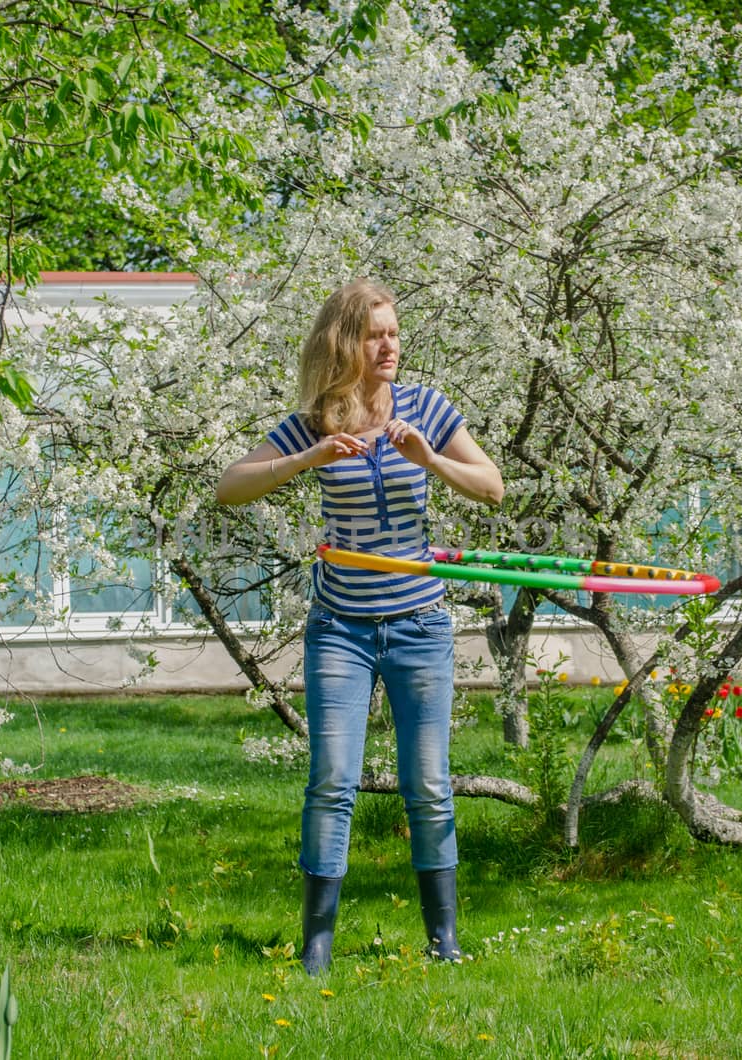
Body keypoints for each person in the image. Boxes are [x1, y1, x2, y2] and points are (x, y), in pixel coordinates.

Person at [216, 279, 504, 975]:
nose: (389, 345)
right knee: (332, 779)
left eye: (395, 333)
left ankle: (445, 940)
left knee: (429, 783)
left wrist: (429, 460)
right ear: (345, 342)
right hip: (341, 626)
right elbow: (229, 487)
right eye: (376, 333)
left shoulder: (427, 410)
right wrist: (307, 458)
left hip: (419, 624)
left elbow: (492, 488)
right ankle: (317, 944)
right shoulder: (317, 419)